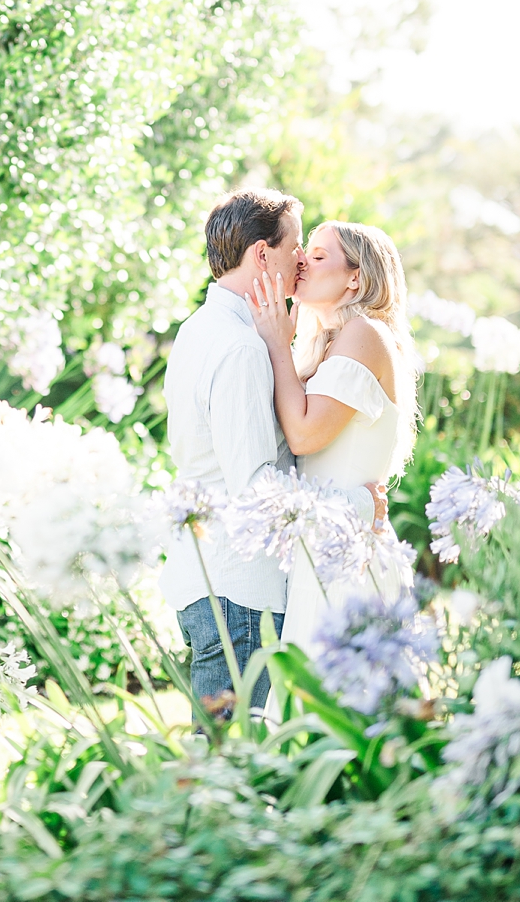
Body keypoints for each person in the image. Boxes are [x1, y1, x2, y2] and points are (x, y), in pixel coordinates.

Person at [159, 189, 386, 713]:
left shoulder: (201, 329)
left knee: (227, 766)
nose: (301, 258)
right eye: (295, 245)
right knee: (234, 767)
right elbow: (257, 488)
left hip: (215, 579)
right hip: (240, 592)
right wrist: (360, 504)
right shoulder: (240, 348)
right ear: (263, 255)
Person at [243, 219, 419, 651]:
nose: (302, 261)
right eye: (306, 252)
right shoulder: (330, 343)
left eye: (319, 256)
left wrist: (276, 342)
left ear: (356, 277)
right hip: (324, 547)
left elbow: (303, 436)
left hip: (350, 555)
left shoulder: (365, 334)